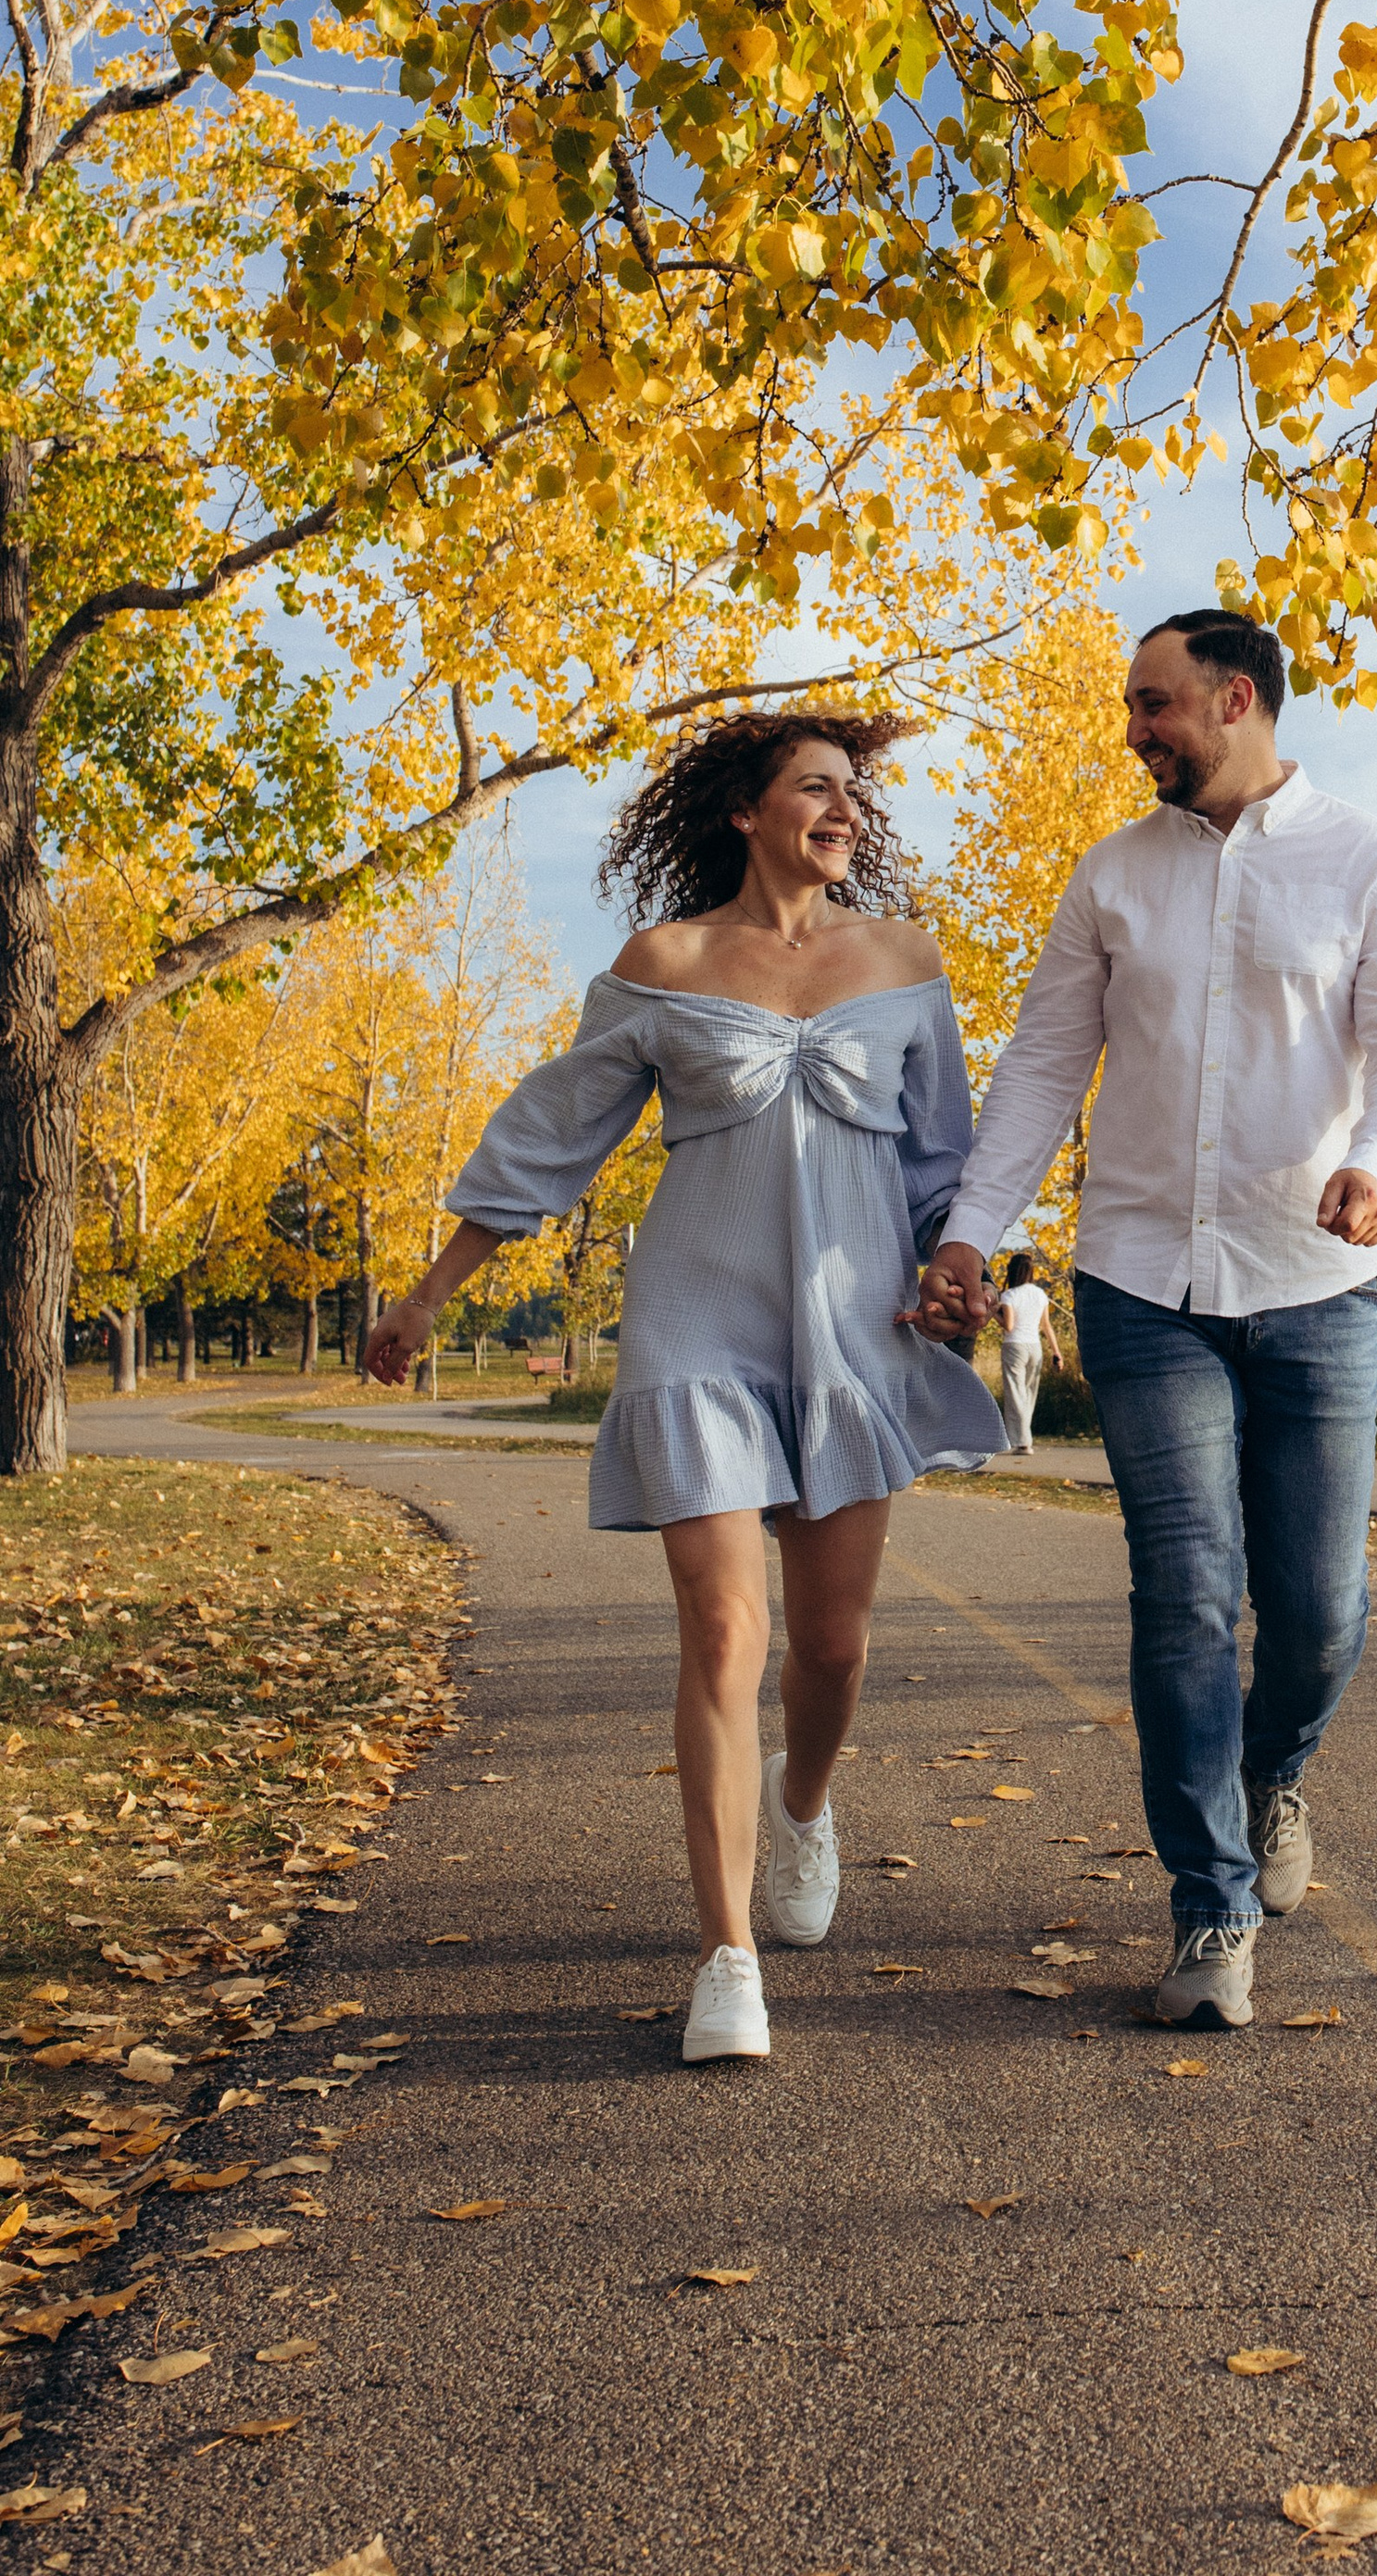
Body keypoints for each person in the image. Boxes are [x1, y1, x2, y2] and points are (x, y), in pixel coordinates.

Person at [363, 713, 1005, 2067]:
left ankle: (806, 1801)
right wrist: (427, 1295)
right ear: (744, 809)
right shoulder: (665, 965)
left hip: (853, 1338)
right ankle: (727, 1956)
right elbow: (551, 1137)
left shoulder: (903, 959)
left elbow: (948, 1160)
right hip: (697, 1327)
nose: (842, 808)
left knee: (829, 1651)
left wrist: (967, 1269)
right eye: (814, 786)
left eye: (851, 791)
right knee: (726, 1634)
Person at [908, 607, 1377, 2030]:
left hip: (1318, 1281)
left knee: (1322, 1613)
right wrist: (975, 1232)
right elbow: (1040, 1069)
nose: (1133, 728)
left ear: (1234, 699)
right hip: (1146, 1283)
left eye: (1153, 704)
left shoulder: (1367, 859)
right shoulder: (1113, 877)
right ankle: (1210, 1907)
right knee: (1187, 1598)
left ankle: (1273, 1770)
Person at [994, 1250, 1061, 1454]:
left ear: (1012, 1271)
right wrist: (1057, 1353)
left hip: (1015, 1346)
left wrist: (992, 1314)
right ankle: (1023, 1439)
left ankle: (1023, 1442)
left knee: (1016, 1393)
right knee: (1028, 1394)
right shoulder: (1040, 1294)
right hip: (1035, 1347)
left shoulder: (1009, 1295)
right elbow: (1047, 1326)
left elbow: (1009, 1326)